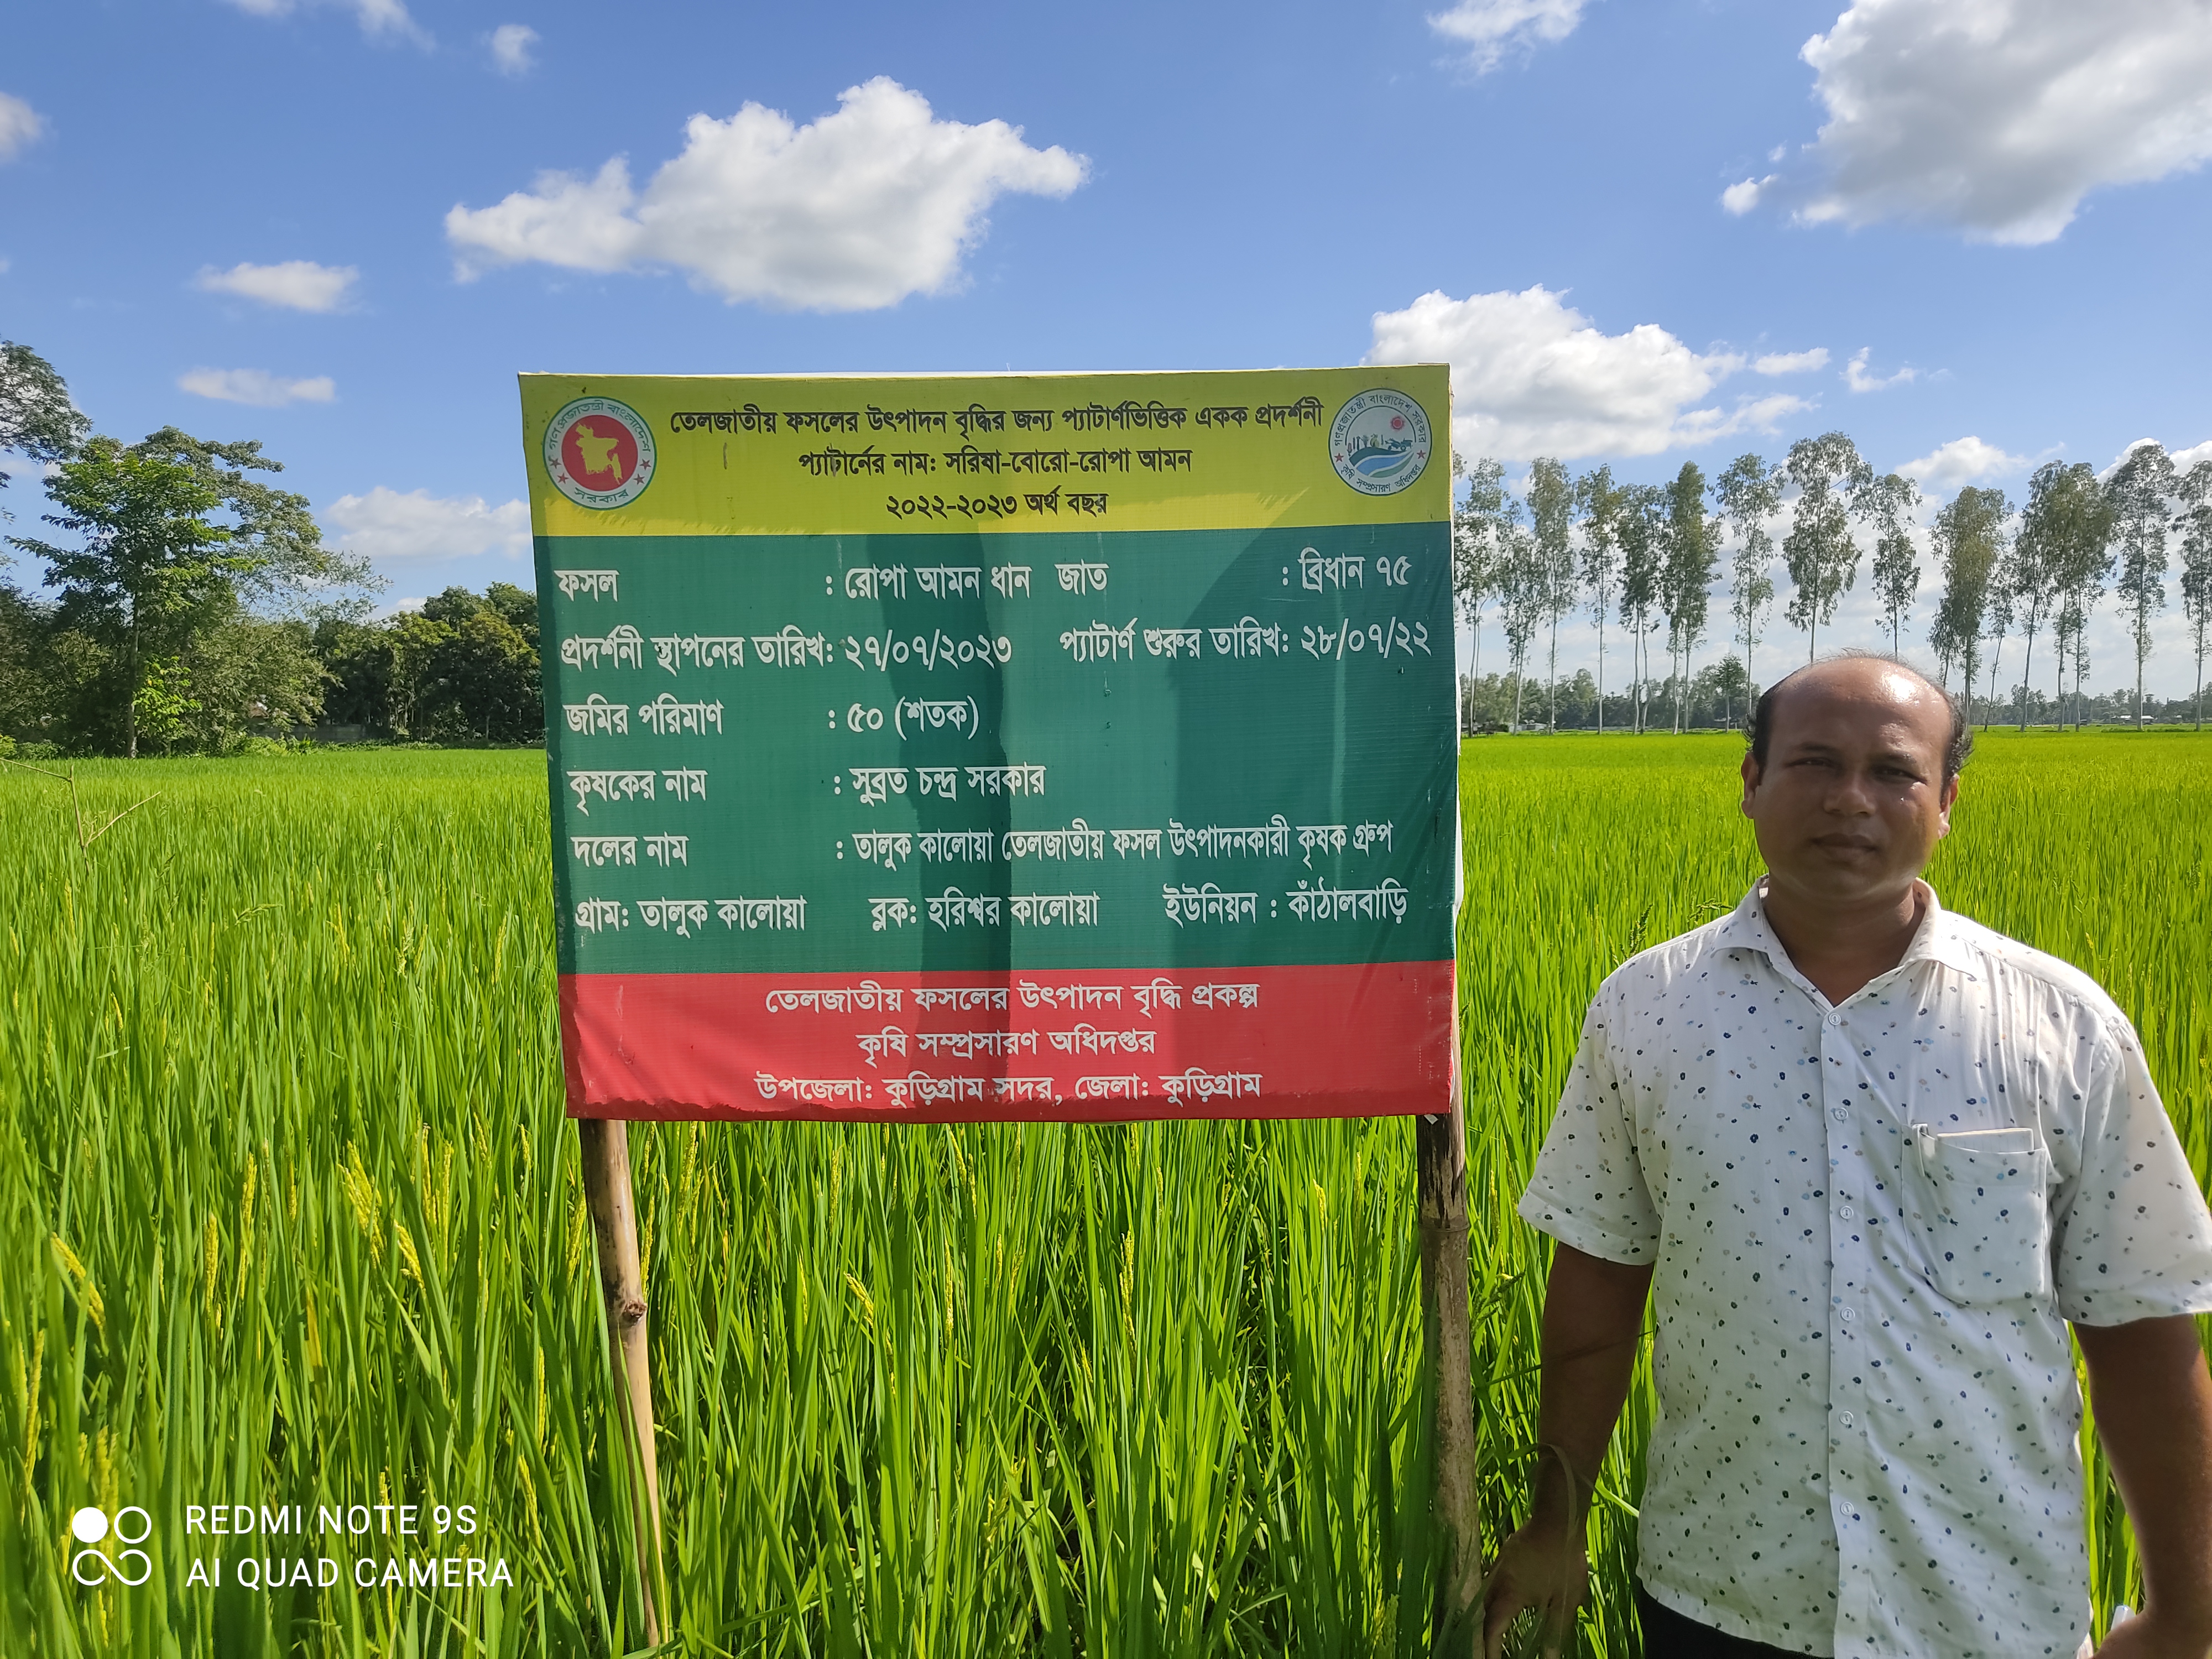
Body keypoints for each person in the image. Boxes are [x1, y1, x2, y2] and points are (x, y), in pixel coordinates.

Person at [1481, 654, 2212, 1658]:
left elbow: (2140, 1330)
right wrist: (1557, 1522)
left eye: (1895, 772)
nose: (1850, 800)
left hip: (1991, 1608)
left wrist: (2187, 1609)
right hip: (1722, 1599)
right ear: (1750, 782)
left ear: (1947, 800)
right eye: (1815, 762)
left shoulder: (2063, 1025)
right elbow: (1600, 1285)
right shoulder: (1647, 1010)